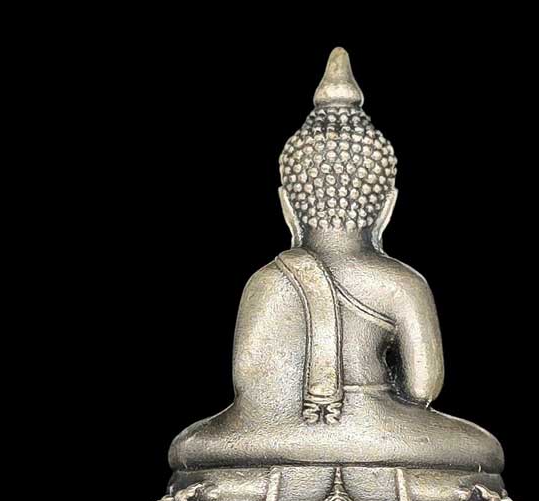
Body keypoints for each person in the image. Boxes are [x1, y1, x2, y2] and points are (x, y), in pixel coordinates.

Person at [170, 49, 503, 474]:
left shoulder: (264, 281)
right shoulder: (401, 283)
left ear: (288, 207)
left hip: (280, 438)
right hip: (379, 432)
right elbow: (422, 388)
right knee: (481, 450)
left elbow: (249, 387)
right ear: (386, 208)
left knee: (189, 446)